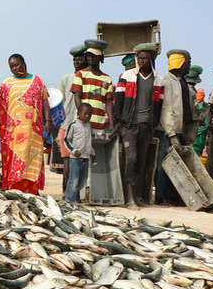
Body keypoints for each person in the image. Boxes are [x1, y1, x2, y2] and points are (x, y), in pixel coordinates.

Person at [113, 43, 164, 208]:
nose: (141, 61)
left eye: (145, 58)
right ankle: (129, 198)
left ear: (151, 60)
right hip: (129, 125)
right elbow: (118, 101)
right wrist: (120, 121)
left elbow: (159, 105)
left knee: (141, 162)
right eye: (139, 58)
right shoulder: (126, 76)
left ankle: (137, 196)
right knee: (132, 158)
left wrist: (153, 123)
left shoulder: (159, 80)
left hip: (146, 126)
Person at [0, 53, 50, 194]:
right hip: (15, 134)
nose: (14, 69)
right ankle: (15, 190)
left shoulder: (37, 81)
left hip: (34, 133)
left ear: (24, 63)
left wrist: (48, 121)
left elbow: (45, 102)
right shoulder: (7, 84)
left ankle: (33, 190)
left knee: (33, 161)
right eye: (11, 67)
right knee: (16, 162)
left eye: (16, 65)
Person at [154, 49, 193, 204]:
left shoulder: (178, 81)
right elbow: (167, 110)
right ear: (180, 63)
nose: (187, 67)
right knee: (163, 166)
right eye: (187, 63)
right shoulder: (167, 81)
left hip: (174, 131)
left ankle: (170, 197)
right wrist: (171, 135)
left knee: (174, 167)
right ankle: (160, 198)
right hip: (165, 132)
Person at [58, 45, 88, 192]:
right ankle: (66, 190)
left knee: (81, 160)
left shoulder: (88, 78)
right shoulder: (66, 79)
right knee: (68, 159)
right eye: (74, 60)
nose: (76, 62)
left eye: (79, 59)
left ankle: (76, 192)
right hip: (67, 123)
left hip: (83, 126)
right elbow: (59, 102)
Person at [71, 39, 115, 132]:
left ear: (100, 58)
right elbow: (77, 97)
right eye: (88, 56)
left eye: (93, 56)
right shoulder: (81, 74)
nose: (89, 58)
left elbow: (109, 103)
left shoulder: (107, 79)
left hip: (100, 124)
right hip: (84, 124)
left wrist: (111, 123)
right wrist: (82, 115)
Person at [64, 103, 95, 203]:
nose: (87, 116)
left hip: (86, 158)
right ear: (78, 113)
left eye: (90, 115)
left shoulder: (89, 126)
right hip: (75, 158)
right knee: (74, 180)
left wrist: (92, 153)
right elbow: (66, 140)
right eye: (85, 114)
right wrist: (73, 151)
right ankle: (69, 200)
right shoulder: (73, 126)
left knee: (82, 181)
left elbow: (90, 142)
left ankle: (73, 197)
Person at [184, 64, 208, 146]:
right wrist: (206, 110)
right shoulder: (191, 92)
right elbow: (195, 115)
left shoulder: (182, 89)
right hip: (186, 133)